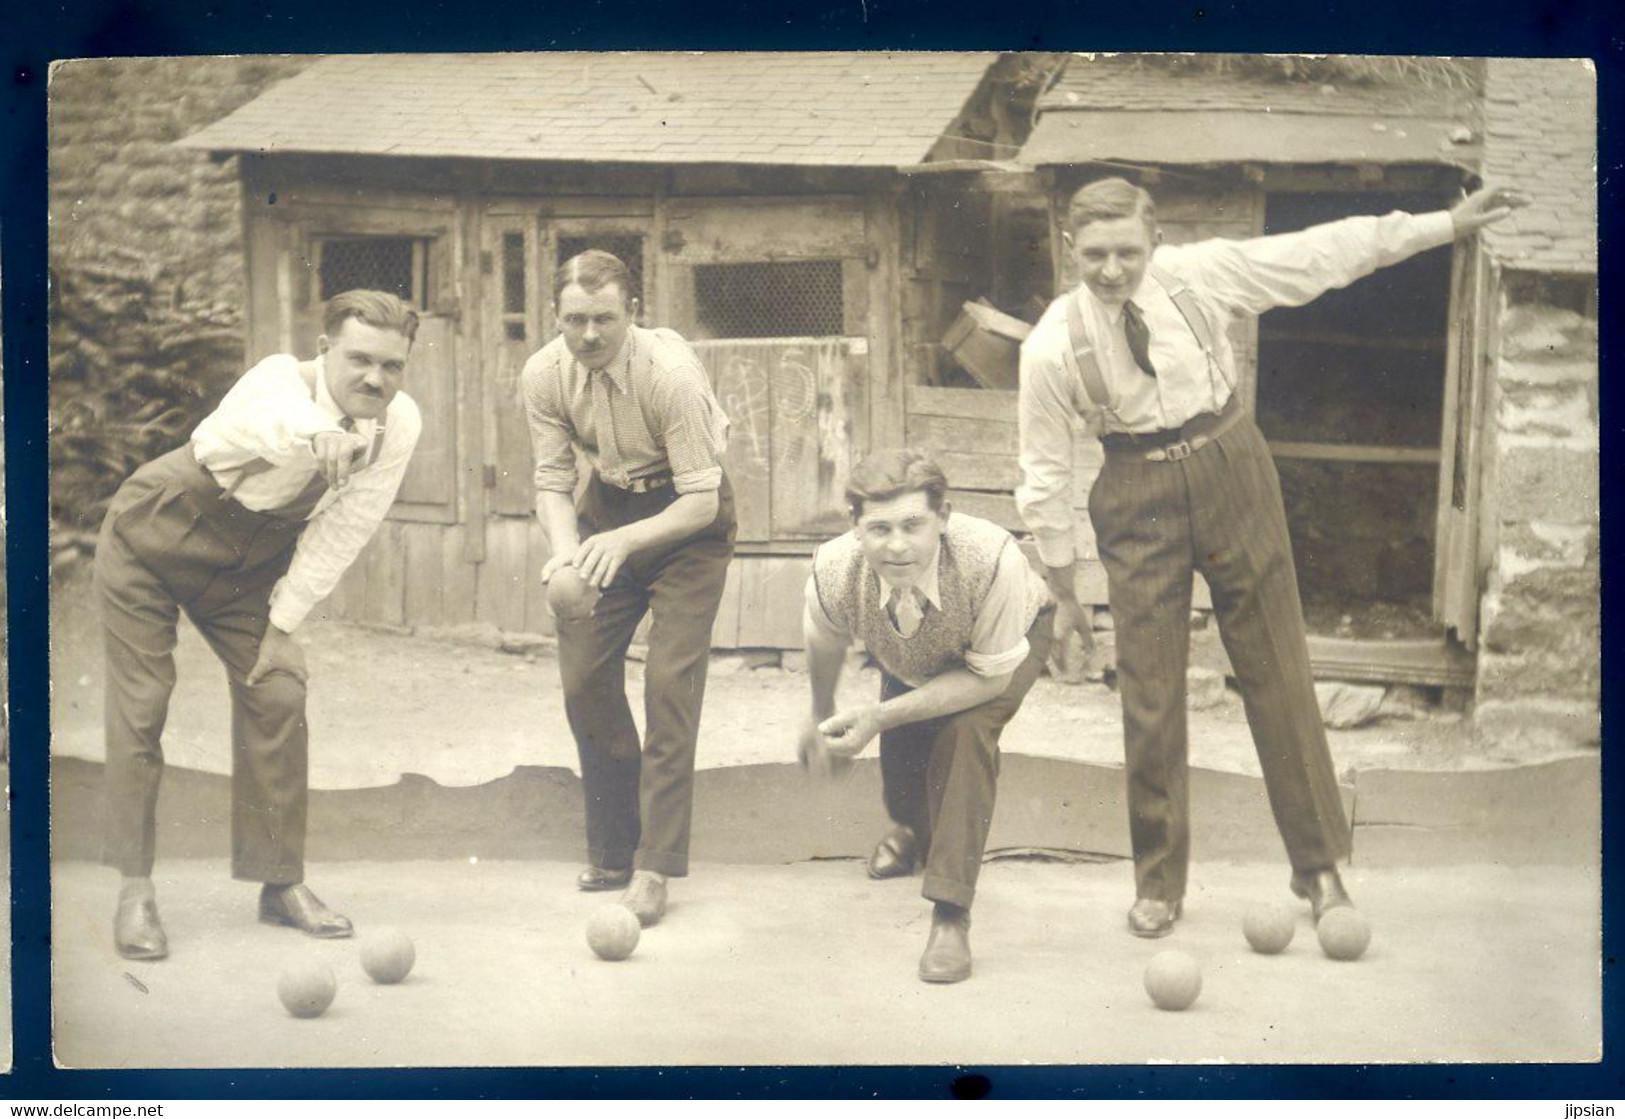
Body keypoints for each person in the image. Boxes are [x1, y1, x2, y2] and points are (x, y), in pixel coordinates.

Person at [1017, 177, 1526, 937]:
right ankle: (1158, 881)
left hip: (1231, 466)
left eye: (1126, 250)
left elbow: (1319, 254)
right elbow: (1044, 475)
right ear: (1069, 248)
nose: (1113, 269)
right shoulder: (1051, 346)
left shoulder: (1199, 274)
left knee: (1276, 669)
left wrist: (1443, 225)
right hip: (1134, 490)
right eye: (1094, 254)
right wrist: (1061, 592)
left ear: (1153, 237)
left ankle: (1317, 866)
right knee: (1149, 694)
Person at [97, 289, 424, 960]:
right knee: (143, 702)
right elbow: (266, 423)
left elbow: (344, 528)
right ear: (326, 348)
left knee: (278, 690)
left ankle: (279, 884)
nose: (375, 379)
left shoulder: (399, 424)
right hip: (154, 532)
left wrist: (283, 624)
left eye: (392, 367)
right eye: (360, 359)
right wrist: (317, 434)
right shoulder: (277, 380)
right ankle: (134, 885)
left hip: (247, 569)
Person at [522, 250, 734, 928]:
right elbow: (553, 482)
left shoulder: (667, 375)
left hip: (686, 521)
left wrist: (619, 543)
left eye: (603, 319)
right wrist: (565, 558)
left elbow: (701, 503)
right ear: (555, 317)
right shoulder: (544, 374)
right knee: (583, 678)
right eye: (573, 320)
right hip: (605, 509)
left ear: (632, 314)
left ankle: (654, 865)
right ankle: (613, 847)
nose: (587, 335)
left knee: (669, 684)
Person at [800, 449, 1053, 983]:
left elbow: (987, 678)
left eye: (914, 525)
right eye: (880, 528)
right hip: (909, 646)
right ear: (854, 526)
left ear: (944, 517)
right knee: (904, 752)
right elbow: (824, 640)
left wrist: (880, 715)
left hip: (1001, 649)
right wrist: (819, 713)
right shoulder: (833, 566)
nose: (897, 546)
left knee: (964, 733)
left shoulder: (992, 558)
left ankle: (950, 914)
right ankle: (914, 832)